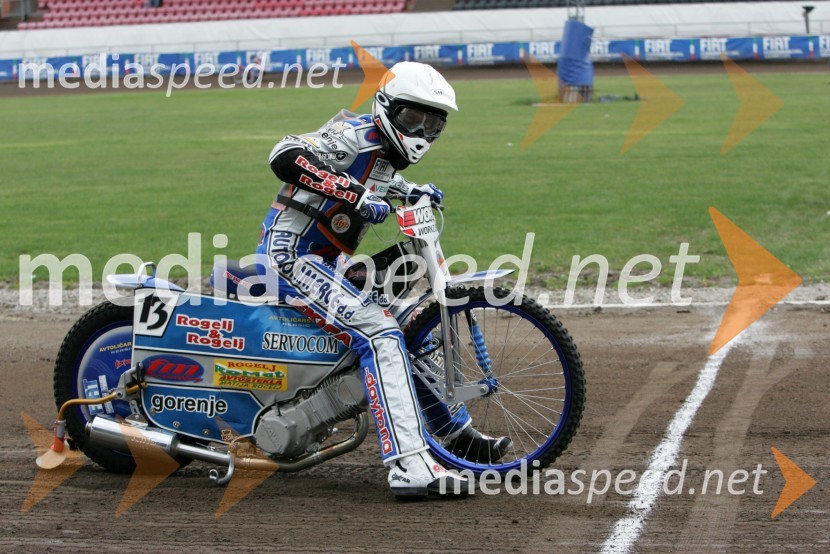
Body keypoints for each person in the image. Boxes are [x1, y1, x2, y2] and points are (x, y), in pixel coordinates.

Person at [256, 62, 510, 498]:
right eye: (414, 118)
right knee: (380, 332)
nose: (423, 130)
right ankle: (408, 465)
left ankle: (456, 436)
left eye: (434, 123)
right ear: (388, 109)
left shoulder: (385, 155)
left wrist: (408, 192)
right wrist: (354, 196)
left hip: (329, 263)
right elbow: (283, 154)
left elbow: (377, 179)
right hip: (290, 257)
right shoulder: (354, 136)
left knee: (412, 323)